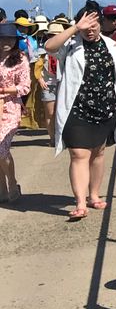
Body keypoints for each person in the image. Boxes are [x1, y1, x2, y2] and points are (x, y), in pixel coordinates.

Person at [44, 1, 116, 220]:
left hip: (105, 108)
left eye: (94, 25)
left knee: (98, 153)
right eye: (85, 26)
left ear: (101, 24)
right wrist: (75, 28)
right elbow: (49, 46)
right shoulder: (70, 46)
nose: (90, 30)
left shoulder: (113, 47)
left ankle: (94, 195)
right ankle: (80, 203)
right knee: (79, 154)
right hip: (76, 109)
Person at [0, 22, 32, 202]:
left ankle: (12, 183)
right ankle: (2, 188)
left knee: (1, 146)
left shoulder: (20, 59)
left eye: (10, 39)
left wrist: (4, 90)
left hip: (10, 107)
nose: (6, 42)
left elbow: (25, 87)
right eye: (3, 38)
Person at [37, 20, 66, 132]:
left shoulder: (68, 50)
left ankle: (60, 136)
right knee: (50, 113)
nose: (54, 37)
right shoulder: (41, 52)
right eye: (51, 35)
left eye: (58, 35)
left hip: (64, 84)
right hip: (48, 84)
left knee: (62, 112)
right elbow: (36, 67)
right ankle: (53, 138)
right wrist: (40, 79)